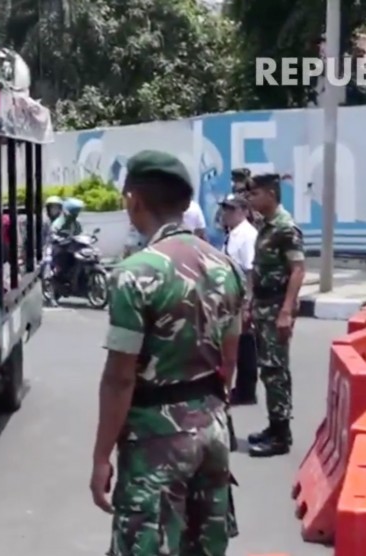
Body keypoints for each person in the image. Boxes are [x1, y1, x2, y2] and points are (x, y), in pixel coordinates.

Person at [90, 150, 245, 555]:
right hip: (212, 431)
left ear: (133, 200)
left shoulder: (134, 274)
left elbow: (120, 378)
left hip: (156, 442)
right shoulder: (225, 267)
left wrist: (101, 457)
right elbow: (230, 360)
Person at [244, 173, 306, 457]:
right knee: (268, 369)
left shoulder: (285, 228)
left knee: (276, 370)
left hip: (276, 307)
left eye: (255, 193)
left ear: (270, 194)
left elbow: (297, 270)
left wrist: (286, 311)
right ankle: (274, 425)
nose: (250, 199)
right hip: (263, 306)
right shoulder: (266, 226)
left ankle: (281, 435)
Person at [219, 193, 259, 405]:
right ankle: (241, 388)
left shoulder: (247, 235)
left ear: (244, 211)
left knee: (244, 344)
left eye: (231, 209)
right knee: (237, 343)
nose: (226, 213)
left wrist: (247, 303)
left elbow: (251, 270)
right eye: (225, 208)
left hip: (241, 296)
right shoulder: (233, 233)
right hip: (231, 297)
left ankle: (246, 390)